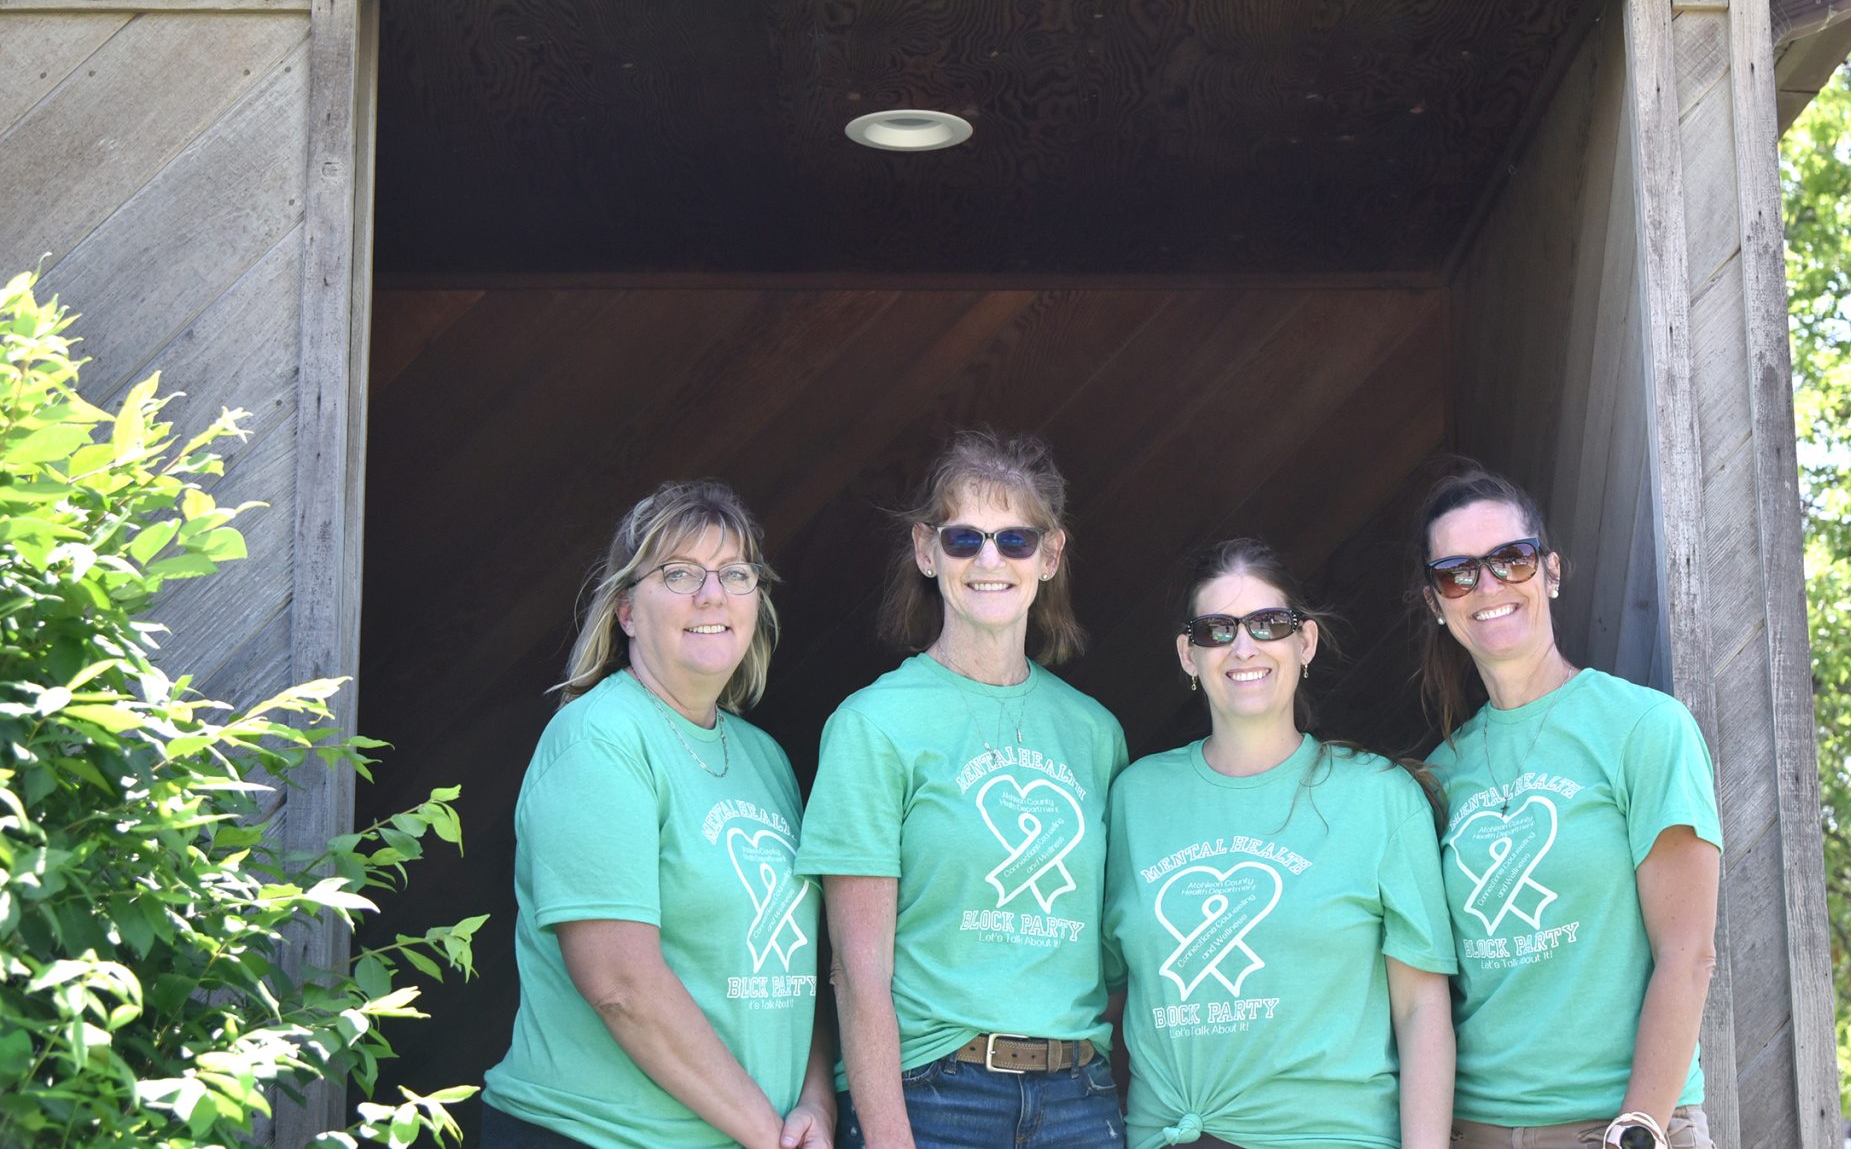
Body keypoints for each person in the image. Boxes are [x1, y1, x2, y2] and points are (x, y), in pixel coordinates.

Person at [795, 430, 1128, 1149]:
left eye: (1014, 539)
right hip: (936, 1096)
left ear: (1050, 555)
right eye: (963, 537)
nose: (988, 559)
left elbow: (1115, 949)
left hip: (1079, 1097)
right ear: (925, 549)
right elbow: (857, 972)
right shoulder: (872, 724)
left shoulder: (1094, 734)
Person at [482, 480, 834, 1149]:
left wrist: (817, 1100)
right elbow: (621, 983)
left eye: (735, 573)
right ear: (626, 611)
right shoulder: (600, 739)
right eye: (679, 573)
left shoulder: (765, 759)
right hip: (598, 1135)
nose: (712, 595)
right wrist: (769, 1133)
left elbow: (798, 966)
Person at [1104, 538, 1456, 1149]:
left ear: (1306, 642)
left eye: (1268, 624)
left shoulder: (1378, 796)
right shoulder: (1135, 798)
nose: (1244, 648)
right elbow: (1109, 993)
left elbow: (1421, 1012)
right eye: (1217, 630)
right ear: (1189, 656)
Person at [1416, 463, 1722, 1149]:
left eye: (1511, 559)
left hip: (1620, 1127)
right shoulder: (1439, 776)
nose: (1487, 585)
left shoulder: (1643, 727)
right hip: (1479, 1132)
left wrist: (1638, 1126)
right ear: (1437, 602)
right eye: (1457, 572)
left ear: (1551, 571)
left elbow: (1688, 952)